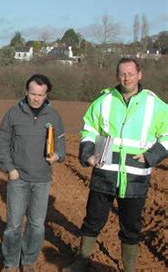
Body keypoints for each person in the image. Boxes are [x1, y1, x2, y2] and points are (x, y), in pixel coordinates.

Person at [64, 58, 167, 272]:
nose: (126, 77)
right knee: (93, 220)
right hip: (105, 173)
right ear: (116, 76)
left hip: (135, 178)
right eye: (122, 73)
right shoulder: (104, 100)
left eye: (130, 73)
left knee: (131, 227)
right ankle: (81, 261)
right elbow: (89, 129)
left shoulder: (154, 104)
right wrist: (88, 153)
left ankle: (129, 268)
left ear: (140, 75)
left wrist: (151, 155)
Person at [0, 74, 66, 272]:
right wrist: (9, 168)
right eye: (33, 94)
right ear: (26, 92)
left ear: (46, 95)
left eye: (40, 95)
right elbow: (2, 141)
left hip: (42, 179)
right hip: (18, 178)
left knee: (36, 225)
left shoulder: (54, 116)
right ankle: (10, 263)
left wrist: (58, 155)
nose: (36, 98)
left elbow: (61, 142)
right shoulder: (13, 114)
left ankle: (28, 262)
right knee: (14, 225)